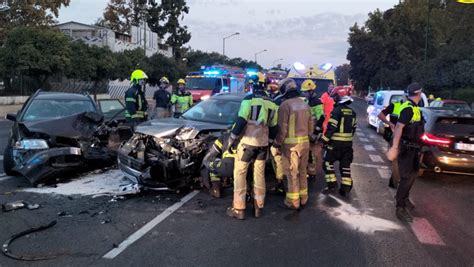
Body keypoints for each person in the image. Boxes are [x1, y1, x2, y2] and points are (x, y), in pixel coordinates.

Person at [226, 81, 278, 220]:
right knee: (259, 174)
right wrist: (270, 143)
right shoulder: (273, 103)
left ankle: (239, 209)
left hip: (248, 144)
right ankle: (258, 207)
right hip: (263, 145)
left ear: (253, 87)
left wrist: (232, 139)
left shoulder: (249, 100)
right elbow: (274, 127)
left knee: (240, 174)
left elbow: (241, 120)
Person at [386, 82, 425, 222]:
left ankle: (405, 198)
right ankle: (400, 207)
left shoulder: (415, 108)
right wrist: (395, 147)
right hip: (407, 148)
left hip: (414, 148)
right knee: (406, 177)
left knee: (413, 175)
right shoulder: (408, 108)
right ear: (419, 94)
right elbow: (399, 127)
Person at [273, 79, 313, 209]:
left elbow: (282, 127)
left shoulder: (285, 105)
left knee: (291, 173)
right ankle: (304, 199)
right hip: (305, 144)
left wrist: (277, 143)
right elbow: (311, 126)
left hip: (291, 147)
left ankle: (293, 201)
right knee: (302, 172)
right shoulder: (305, 104)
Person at [321, 87, 357, 197]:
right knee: (345, 166)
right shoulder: (353, 112)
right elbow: (353, 129)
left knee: (327, 163)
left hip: (335, 145)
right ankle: (345, 189)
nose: (334, 99)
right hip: (347, 145)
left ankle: (332, 186)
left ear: (339, 97)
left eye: (335, 97)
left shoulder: (336, 111)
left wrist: (324, 140)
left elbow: (331, 128)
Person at [300, 79, 325, 180]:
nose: (304, 94)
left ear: (311, 91)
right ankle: (307, 171)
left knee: (312, 153)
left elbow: (321, 117)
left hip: (313, 131)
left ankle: (312, 173)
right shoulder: (306, 101)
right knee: (306, 152)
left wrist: (316, 132)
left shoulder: (317, 102)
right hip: (306, 131)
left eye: (305, 92)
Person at [377, 98, 405, 188]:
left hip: (397, 136)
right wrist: (390, 124)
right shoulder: (412, 107)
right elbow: (380, 115)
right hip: (401, 137)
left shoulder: (395, 105)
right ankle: (395, 183)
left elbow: (381, 115)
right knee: (397, 161)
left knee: (396, 161)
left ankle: (395, 182)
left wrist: (389, 123)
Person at [201, 131, 237, 198]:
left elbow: (212, 153)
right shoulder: (248, 137)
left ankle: (215, 188)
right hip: (243, 167)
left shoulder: (224, 136)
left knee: (209, 162)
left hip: (227, 167)